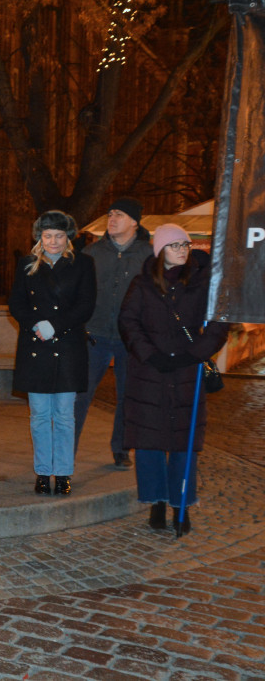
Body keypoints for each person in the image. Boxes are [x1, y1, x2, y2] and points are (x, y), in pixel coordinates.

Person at [118, 224, 227, 535]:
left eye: (185, 245)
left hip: (186, 372)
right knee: (149, 441)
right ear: (160, 250)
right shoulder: (143, 284)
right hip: (149, 373)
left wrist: (193, 355)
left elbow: (219, 324)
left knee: (183, 443)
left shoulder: (203, 282)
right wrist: (150, 355)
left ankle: (181, 505)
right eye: (174, 245)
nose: (181, 250)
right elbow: (128, 321)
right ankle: (156, 502)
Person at [9, 210, 96, 496]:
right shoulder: (27, 264)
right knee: (39, 415)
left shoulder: (83, 264)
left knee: (64, 415)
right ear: (40, 237)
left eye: (59, 235)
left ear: (68, 237)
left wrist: (55, 326)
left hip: (68, 347)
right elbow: (16, 303)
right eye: (48, 236)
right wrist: (35, 324)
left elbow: (86, 305)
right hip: (36, 346)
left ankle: (64, 472)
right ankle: (44, 473)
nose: (53, 241)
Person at [74, 197, 153, 470]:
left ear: (134, 222)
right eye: (110, 214)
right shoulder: (92, 253)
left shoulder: (149, 255)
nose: (112, 219)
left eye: (119, 215)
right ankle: (65, 451)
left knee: (128, 397)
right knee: (80, 395)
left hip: (131, 339)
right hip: (94, 334)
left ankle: (121, 448)